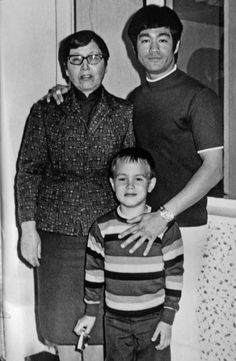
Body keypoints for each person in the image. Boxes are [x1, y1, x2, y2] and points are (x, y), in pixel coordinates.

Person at [45, 5, 223, 360]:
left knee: (176, 333)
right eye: (145, 40)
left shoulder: (199, 97)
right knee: (134, 333)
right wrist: (63, 94)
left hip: (182, 225)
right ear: (133, 48)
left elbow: (215, 168)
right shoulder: (134, 101)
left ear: (176, 45)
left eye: (162, 39)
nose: (153, 48)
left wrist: (165, 215)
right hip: (138, 226)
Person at [16, 30, 134, 361]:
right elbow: (28, 172)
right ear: (65, 68)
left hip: (106, 232)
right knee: (61, 324)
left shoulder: (124, 112)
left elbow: (130, 176)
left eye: (94, 58)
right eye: (76, 59)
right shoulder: (45, 110)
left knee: (99, 327)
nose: (86, 67)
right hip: (56, 233)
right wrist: (28, 230)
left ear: (106, 64)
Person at [74, 147, 184, 361]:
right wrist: (90, 312)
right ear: (113, 184)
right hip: (114, 321)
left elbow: (175, 275)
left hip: (154, 320)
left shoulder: (166, 227)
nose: (130, 185)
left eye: (139, 179)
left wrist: (167, 320)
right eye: (123, 179)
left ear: (151, 184)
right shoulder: (101, 228)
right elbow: (93, 274)